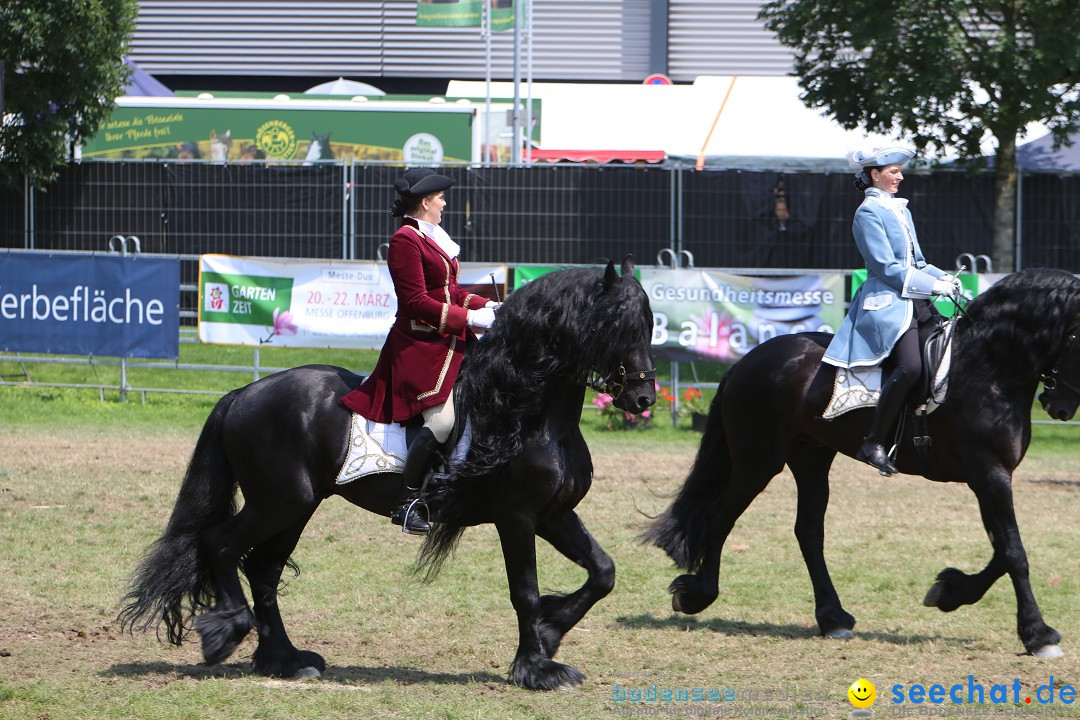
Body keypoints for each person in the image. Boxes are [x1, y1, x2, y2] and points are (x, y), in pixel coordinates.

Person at [342, 168, 497, 533]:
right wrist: (469, 318)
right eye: (440, 198)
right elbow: (415, 301)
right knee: (441, 420)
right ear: (426, 202)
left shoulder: (433, 237)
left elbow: (451, 292)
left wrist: (488, 308)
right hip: (418, 345)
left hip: (447, 341)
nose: (444, 203)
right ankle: (407, 500)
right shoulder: (405, 241)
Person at [822, 146, 961, 475]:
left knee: (943, 357)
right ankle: (874, 441)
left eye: (899, 171)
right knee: (912, 367)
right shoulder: (867, 213)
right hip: (886, 302)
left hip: (916, 298)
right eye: (894, 171)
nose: (900, 176)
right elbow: (886, 267)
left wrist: (943, 278)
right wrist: (931, 286)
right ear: (875, 174)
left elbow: (919, 263)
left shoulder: (902, 210)